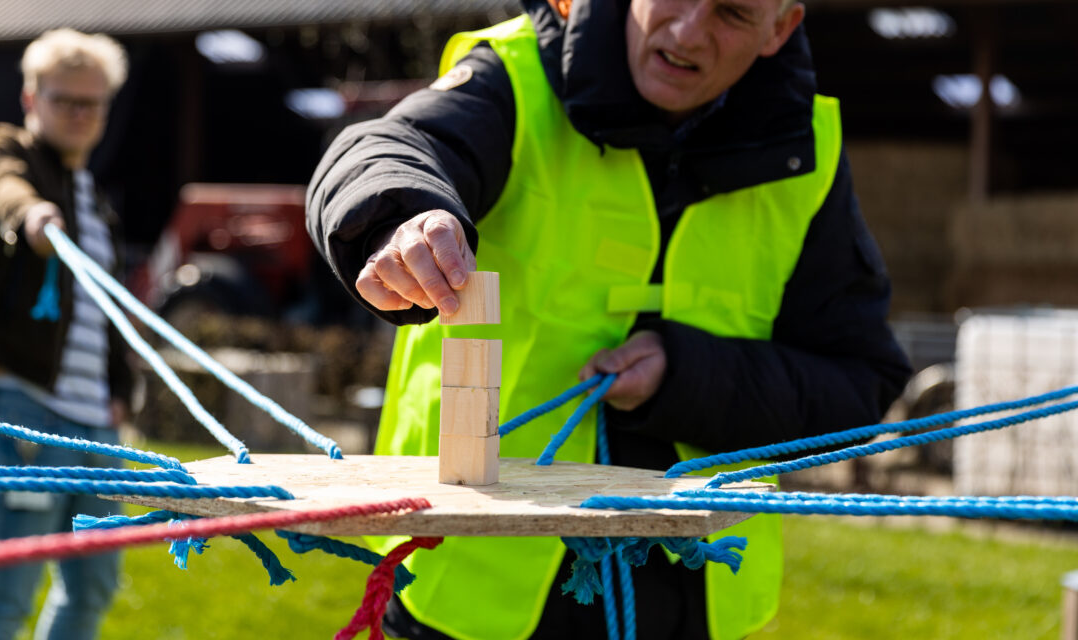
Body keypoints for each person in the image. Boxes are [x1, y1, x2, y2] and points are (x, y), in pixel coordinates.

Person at [306, 0, 912, 638]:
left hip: (696, 589)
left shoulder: (805, 150)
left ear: (780, 28)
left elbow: (856, 382)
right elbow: (387, 149)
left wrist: (685, 380)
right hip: (475, 577)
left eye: (731, 13)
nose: (688, 33)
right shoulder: (514, 77)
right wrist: (401, 218)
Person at [0, 28, 132, 640]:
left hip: (98, 428)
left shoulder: (97, 200)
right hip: (21, 408)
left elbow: (108, 312)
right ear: (32, 98)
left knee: (94, 587)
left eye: (93, 103)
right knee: (7, 593)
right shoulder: (4, 150)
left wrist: (120, 393)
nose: (80, 115)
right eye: (65, 100)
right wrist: (29, 215)